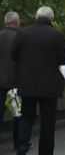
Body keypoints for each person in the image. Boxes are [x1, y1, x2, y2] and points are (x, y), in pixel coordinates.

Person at [11, 6, 65, 155]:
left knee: (26, 118)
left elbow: (13, 55)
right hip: (49, 86)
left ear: (36, 17)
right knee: (47, 123)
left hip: (27, 84)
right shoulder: (57, 35)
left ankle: (22, 147)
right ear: (51, 19)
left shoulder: (23, 33)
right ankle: (45, 151)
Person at [0, 11, 21, 149]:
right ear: (16, 22)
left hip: (0, 83)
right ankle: (18, 143)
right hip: (15, 83)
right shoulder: (20, 37)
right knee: (18, 115)